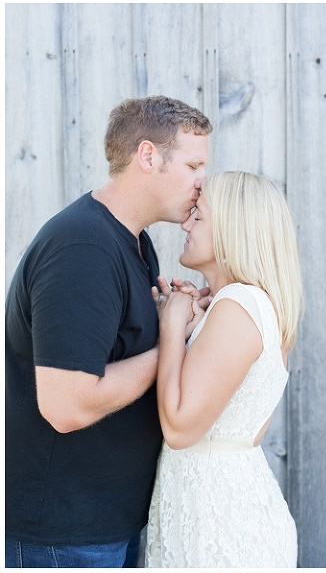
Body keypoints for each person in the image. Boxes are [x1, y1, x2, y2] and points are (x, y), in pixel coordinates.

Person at [5, 95, 212, 568]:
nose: (203, 185)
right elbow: (66, 404)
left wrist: (175, 315)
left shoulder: (136, 246)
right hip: (62, 537)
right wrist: (171, 343)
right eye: (194, 165)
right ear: (147, 156)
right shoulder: (83, 248)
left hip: (107, 525)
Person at [144, 171, 304, 567]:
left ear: (233, 230)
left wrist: (170, 327)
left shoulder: (237, 306)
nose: (185, 223)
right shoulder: (247, 306)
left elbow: (180, 429)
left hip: (220, 527)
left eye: (198, 216)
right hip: (226, 508)